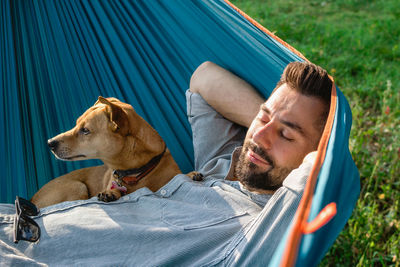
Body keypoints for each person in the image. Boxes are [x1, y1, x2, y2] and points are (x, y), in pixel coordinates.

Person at [0, 61, 332, 266]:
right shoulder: (223, 161)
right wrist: (271, 126)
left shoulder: (259, 229)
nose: (261, 137)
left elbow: (314, 174)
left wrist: (317, 152)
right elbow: (204, 78)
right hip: (14, 221)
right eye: (263, 117)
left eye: (287, 136)